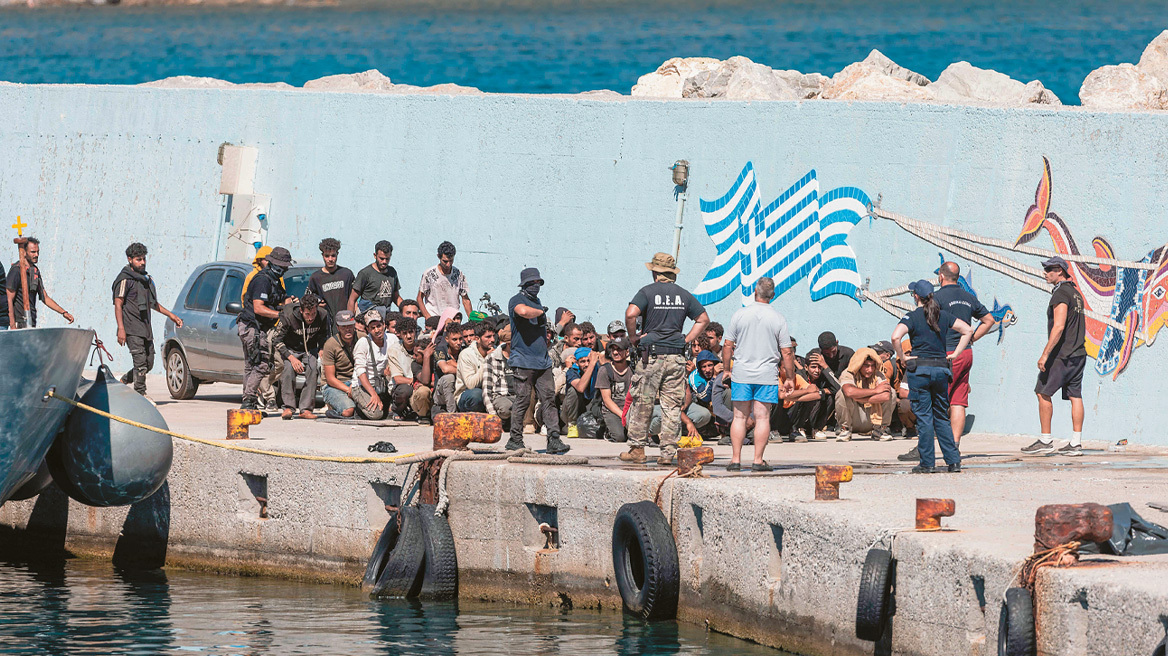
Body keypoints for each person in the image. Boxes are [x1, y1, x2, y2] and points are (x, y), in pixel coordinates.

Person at [622, 253, 710, 465]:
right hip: (676, 356)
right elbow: (703, 319)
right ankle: (667, 453)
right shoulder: (684, 295)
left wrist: (633, 337)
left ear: (655, 272)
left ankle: (637, 449)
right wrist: (686, 339)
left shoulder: (647, 292)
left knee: (643, 402)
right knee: (672, 406)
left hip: (651, 355)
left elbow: (631, 314)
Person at [892, 280, 973, 473]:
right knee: (941, 417)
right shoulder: (943, 315)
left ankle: (927, 463)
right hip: (941, 370)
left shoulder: (911, 317)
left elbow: (896, 337)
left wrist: (902, 357)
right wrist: (955, 353)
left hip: (920, 371)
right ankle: (953, 461)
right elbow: (968, 330)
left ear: (916, 296)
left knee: (924, 418)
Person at [720, 277, 792, 471]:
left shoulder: (740, 314)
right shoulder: (778, 318)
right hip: (766, 374)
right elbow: (786, 351)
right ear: (773, 295)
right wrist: (791, 378)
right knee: (762, 418)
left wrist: (727, 369)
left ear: (755, 291)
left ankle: (735, 460)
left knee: (739, 417)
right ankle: (758, 460)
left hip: (742, 373)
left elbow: (727, 345)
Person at [1023, 256, 1088, 457]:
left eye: (1049, 269)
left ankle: (1045, 440)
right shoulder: (1076, 293)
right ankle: (1075, 443)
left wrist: (1045, 354)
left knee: (1042, 392)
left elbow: (1059, 326)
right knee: (1075, 395)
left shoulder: (1061, 293)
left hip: (1062, 354)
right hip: (1079, 353)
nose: (1045, 273)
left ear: (1059, 270)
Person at [506, 267, 570, 454]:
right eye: (532, 283)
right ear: (525, 284)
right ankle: (515, 439)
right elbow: (523, 312)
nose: (536, 286)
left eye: (538, 283)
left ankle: (554, 439)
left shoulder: (538, 302)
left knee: (549, 400)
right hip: (522, 361)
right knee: (523, 400)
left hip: (542, 362)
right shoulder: (517, 300)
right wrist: (540, 311)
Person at [932, 262, 996, 444]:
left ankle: (926, 446)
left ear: (941, 277)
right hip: (966, 353)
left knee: (936, 400)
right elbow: (989, 320)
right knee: (958, 401)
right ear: (957, 278)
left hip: (947, 354)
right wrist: (971, 338)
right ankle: (955, 445)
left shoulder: (936, 298)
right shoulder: (968, 297)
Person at [110, 243, 183, 397]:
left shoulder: (145, 280)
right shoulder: (124, 279)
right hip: (131, 328)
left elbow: (153, 304)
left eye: (144, 259)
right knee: (140, 362)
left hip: (145, 328)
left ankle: (124, 380)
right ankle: (140, 394)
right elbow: (118, 304)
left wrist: (172, 316)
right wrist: (121, 328)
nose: (142, 262)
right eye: (138, 259)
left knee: (148, 363)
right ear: (129, 260)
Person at [238, 246, 292, 409]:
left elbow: (283, 299)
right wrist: (279, 315)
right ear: (274, 264)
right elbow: (258, 308)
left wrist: (290, 304)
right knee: (260, 365)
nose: (285, 270)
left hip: (257, 327)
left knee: (251, 366)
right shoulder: (262, 280)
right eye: (283, 267)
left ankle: (249, 402)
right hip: (252, 327)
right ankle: (248, 400)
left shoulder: (275, 280)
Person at [273, 290, 329, 419]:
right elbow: (276, 339)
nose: (311, 318)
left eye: (313, 314)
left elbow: (324, 334)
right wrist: (291, 358)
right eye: (307, 314)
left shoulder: (323, 315)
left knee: (313, 369)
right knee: (288, 370)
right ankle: (288, 407)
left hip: (309, 349)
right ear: (301, 311)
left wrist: (321, 348)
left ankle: (306, 409)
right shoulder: (288, 315)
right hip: (290, 349)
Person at [7, 238, 74, 329]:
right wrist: (12, 326)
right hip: (19, 324)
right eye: (33, 252)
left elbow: (45, 297)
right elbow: (8, 299)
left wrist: (63, 312)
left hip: (31, 322)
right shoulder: (16, 271)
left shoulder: (35, 271)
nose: (36, 255)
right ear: (24, 252)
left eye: (38, 252)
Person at [835, 348, 896, 441]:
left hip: (874, 418)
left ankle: (880, 431)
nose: (870, 370)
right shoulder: (848, 373)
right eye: (866, 366)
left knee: (892, 392)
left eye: (872, 366)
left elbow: (886, 395)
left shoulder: (878, 374)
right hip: (854, 418)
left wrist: (860, 398)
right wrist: (875, 391)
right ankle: (845, 430)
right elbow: (849, 391)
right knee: (842, 393)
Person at [352, 309, 393, 420]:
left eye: (378, 326)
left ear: (384, 325)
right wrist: (373, 394)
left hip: (383, 383)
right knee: (377, 415)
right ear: (368, 330)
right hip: (363, 386)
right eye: (372, 328)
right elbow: (360, 372)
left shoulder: (392, 339)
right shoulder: (363, 343)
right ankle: (359, 409)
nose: (377, 330)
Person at [306, 237, 355, 329]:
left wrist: (352, 318)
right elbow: (308, 301)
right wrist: (317, 304)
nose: (330, 259)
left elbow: (355, 298)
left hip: (346, 323)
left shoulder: (346, 274)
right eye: (327, 256)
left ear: (338, 254)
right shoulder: (316, 277)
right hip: (325, 326)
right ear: (322, 255)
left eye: (333, 255)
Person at [417, 241, 472, 319]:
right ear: (438, 257)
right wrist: (427, 317)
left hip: (452, 319)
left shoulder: (458, 274)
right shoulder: (429, 274)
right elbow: (419, 298)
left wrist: (471, 320)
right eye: (445, 261)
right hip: (434, 318)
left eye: (451, 261)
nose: (448, 264)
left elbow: (465, 300)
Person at [321, 310, 360, 418]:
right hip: (336, 385)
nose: (347, 329)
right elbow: (330, 379)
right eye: (343, 327)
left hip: (357, 382)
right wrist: (349, 390)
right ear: (338, 327)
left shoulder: (362, 338)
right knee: (348, 411)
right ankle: (335, 409)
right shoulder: (330, 344)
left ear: (354, 325)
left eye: (350, 326)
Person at [686, 350, 732, 437]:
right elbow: (705, 397)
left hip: (718, 414)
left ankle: (728, 430)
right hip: (703, 418)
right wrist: (714, 377)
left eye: (710, 365)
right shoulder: (695, 377)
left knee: (728, 393)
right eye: (704, 367)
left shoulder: (722, 371)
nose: (707, 370)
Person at [350, 240, 403, 315]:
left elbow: (396, 297)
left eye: (387, 259)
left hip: (385, 315)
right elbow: (352, 299)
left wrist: (406, 308)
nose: (384, 262)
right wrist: (350, 321)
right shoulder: (365, 273)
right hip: (367, 315)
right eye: (381, 258)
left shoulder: (392, 272)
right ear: (375, 255)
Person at [596, 339, 634, 442]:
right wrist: (623, 416)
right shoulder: (605, 370)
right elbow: (607, 400)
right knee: (620, 437)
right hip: (612, 410)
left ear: (627, 352)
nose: (615, 352)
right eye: (613, 349)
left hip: (631, 409)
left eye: (619, 349)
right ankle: (607, 430)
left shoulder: (633, 369)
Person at [455, 321, 496, 412]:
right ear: (477, 339)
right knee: (476, 395)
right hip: (468, 394)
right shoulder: (466, 354)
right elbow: (471, 384)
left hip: (491, 392)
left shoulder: (497, 352)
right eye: (488, 337)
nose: (492, 340)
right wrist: (487, 361)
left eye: (493, 336)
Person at [386, 316, 420, 420]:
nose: (409, 336)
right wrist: (414, 382)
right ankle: (397, 409)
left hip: (419, 383)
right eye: (405, 333)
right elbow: (398, 378)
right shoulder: (394, 350)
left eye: (411, 332)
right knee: (405, 390)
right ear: (399, 334)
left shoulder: (421, 346)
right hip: (403, 386)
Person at [562, 346, 600, 436]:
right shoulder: (572, 372)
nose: (586, 364)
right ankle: (572, 425)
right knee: (573, 390)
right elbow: (580, 388)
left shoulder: (597, 369)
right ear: (577, 363)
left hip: (590, 406)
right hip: (573, 410)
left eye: (588, 360)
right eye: (582, 361)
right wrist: (592, 364)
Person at [484, 325, 517, 430]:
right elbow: (486, 390)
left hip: (519, 396)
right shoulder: (492, 358)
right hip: (501, 397)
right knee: (506, 408)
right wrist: (493, 417)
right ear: (508, 343)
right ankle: (502, 422)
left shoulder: (522, 358)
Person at [431, 321, 464, 416]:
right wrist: (463, 370)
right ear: (447, 339)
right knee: (449, 377)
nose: (458, 342)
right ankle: (452, 414)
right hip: (441, 394)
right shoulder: (440, 350)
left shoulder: (464, 349)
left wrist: (454, 364)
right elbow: (445, 369)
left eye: (460, 339)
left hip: (459, 388)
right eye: (454, 339)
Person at [410, 335, 436, 423]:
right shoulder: (415, 364)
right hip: (420, 401)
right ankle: (423, 416)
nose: (413, 357)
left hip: (436, 396)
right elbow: (425, 380)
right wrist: (426, 358)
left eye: (416, 355)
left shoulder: (437, 362)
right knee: (423, 391)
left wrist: (429, 384)